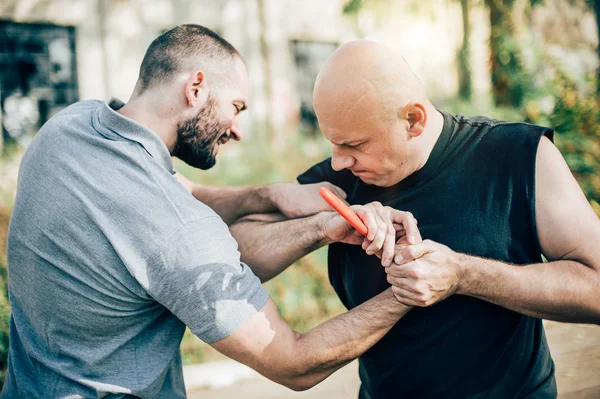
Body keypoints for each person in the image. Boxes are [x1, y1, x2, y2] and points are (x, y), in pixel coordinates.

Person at [2, 27, 421, 397]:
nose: (238, 129)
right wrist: (409, 290)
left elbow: (180, 190)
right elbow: (295, 362)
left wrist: (272, 197)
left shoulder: (70, 128)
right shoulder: (177, 230)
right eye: (236, 107)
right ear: (196, 87)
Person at [233, 40, 600, 398]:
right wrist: (318, 228)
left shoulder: (517, 156)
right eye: (332, 142)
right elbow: (235, 253)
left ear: (413, 120)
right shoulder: (340, 179)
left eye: (354, 144)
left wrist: (462, 274)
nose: (338, 161)